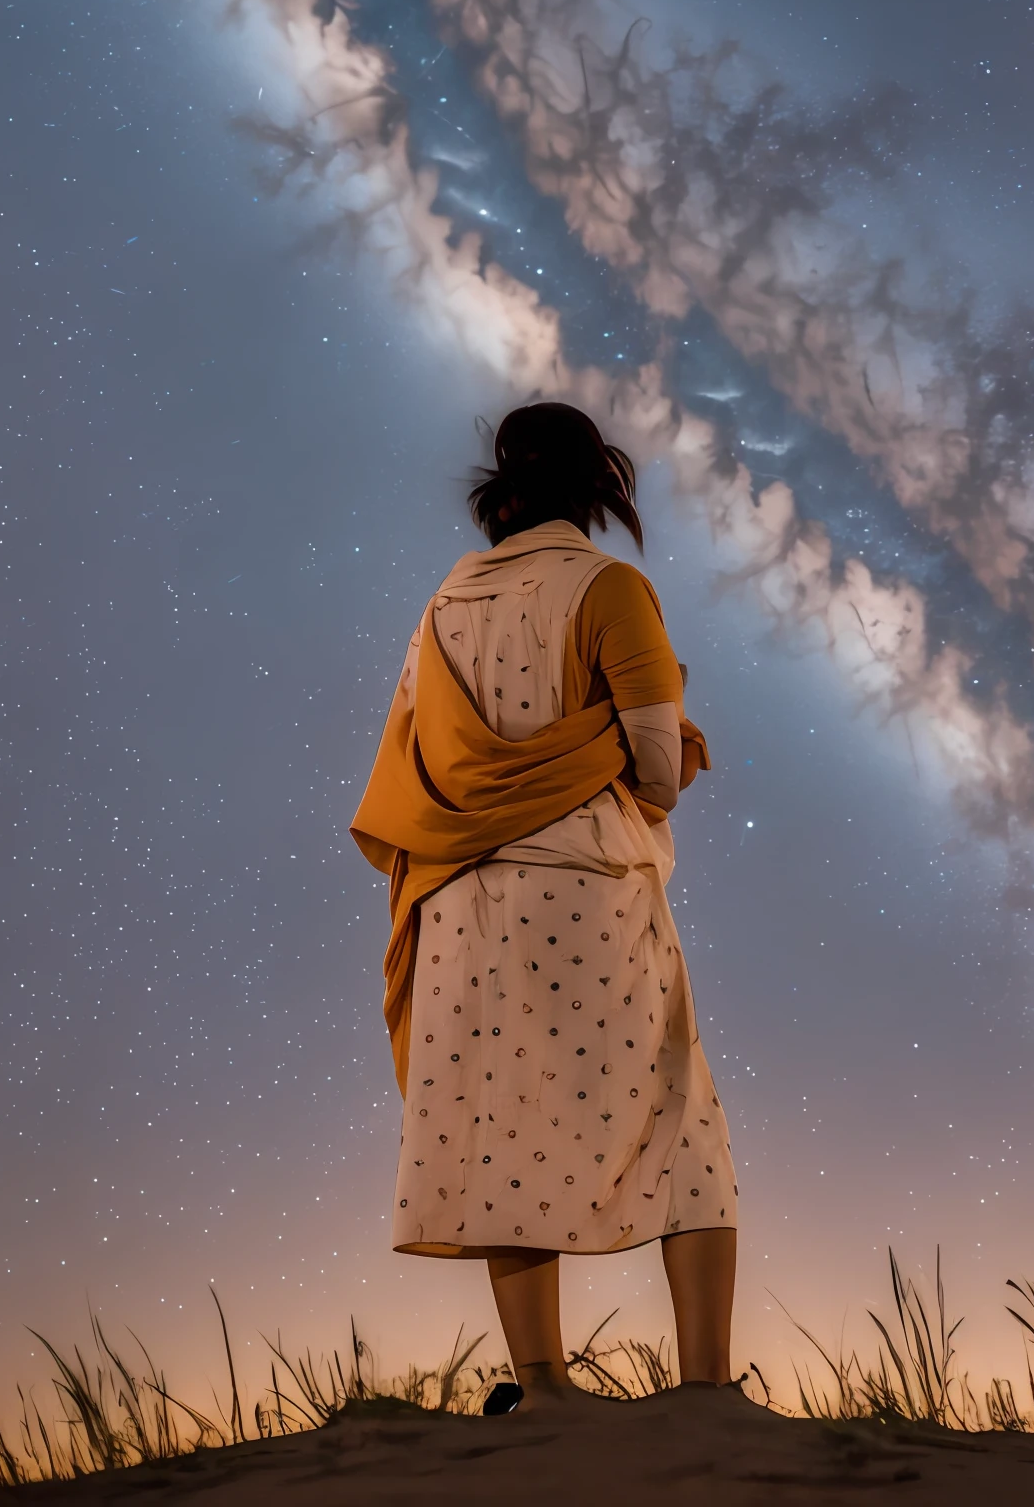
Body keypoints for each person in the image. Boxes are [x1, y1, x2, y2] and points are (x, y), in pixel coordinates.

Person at [351, 402, 738, 1411]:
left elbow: (421, 756)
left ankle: (545, 1390)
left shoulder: (441, 603)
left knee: (501, 1134)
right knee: (677, 1122)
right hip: (581, 885)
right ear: (599, 477)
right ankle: (703, 1390)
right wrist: (662, 733)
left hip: (458, 900)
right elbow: (651, 770)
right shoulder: (610, 586)